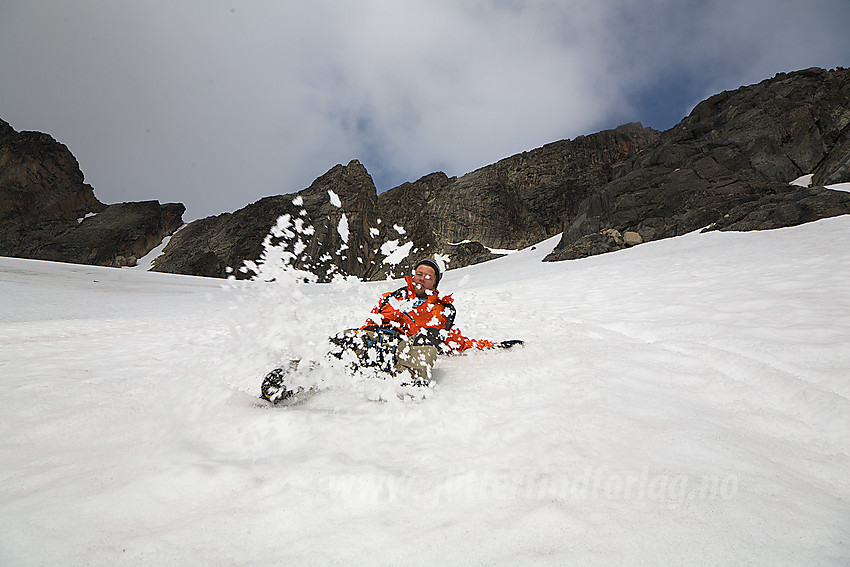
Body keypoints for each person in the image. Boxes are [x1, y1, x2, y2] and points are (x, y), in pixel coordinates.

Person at [261, 259, 523, 402]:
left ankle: (408, 385)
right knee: (346, 340)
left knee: (428, 340)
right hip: (377, 344)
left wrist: (493, 346)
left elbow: (453, 340)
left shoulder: (441, 310)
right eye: (418, 273)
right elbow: (373, 322)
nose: (421, 278)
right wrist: (356, 336)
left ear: (435, 282)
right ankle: (293, 379)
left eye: (428, 276)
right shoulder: (394, 297)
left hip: (404, 352)